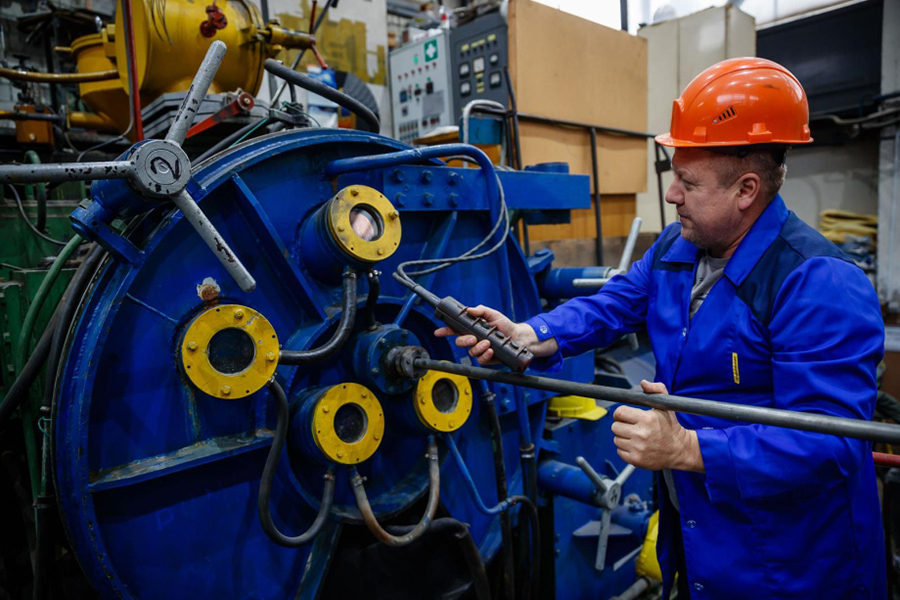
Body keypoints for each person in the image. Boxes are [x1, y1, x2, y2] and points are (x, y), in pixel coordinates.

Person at [435, 58, 886, 599]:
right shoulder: (679, 248)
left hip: (792, 563)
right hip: (699, 535)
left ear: (746, 190)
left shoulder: (818, 285)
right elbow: (616, 302)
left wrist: (689, 451)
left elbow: (831, 442)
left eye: (687, 182)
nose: (671, 195)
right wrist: (531, 334)